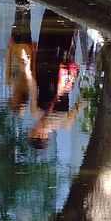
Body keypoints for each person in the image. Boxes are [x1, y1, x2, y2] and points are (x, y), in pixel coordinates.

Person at [28, 9, 80, 148]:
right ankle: (67, 9)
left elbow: (33, 85)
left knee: (54, 35)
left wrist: (30, 64)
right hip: (55, 70)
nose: (34, 126)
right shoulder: (63, 123)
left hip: (51, 69)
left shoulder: (38, 113)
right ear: (42, 136)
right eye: (34, 130)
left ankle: (55, 8)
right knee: (61, 37)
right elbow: (80, 104)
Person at [5, 0, 36, 115]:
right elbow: (33, 70)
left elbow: (7, 65)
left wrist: (9, 49)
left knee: (16, 22)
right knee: (26, 23)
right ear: (20, 100)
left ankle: (19, 0)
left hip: (14, 48)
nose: (13, 96)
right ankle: (26, 1)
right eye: (14, 99)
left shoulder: (9, 83)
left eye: (11, 98)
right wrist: (34, 52)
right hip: (26, 50)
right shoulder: (28, 87)